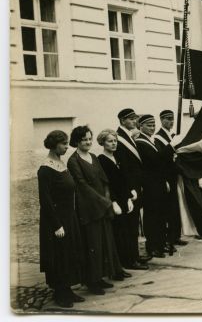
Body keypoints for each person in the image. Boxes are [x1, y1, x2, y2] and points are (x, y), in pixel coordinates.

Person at [67, 126, 125, 295]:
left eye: (89, 139)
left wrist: (107, 199)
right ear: (77, 141)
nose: (88, 142)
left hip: (102, 206)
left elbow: (104, 180)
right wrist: (103, 201)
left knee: (104, 242)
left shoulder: (93, 157)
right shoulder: (74, 161)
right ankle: (91, 281)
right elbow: (82, 185)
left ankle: (100, 277)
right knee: (92, 244)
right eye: (84, 139)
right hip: (89, 208)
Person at [38, 130, 84, 308]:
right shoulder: (45, 169)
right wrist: (56, 225)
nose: (67, 147)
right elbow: (45, 200)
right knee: (58, 256)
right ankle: (60, 293)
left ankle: (67, 289)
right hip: (55, 220)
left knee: (68, 254)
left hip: (68, 216)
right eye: (64, 144)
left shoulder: (61, 164)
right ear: (54, 144)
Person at [96, 129, 141, 273]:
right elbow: (107, 184)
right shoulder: (101, 160)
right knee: (120, 232)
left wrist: (129, 196)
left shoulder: (117, 157)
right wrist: (114, 202)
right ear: (103, 143)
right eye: (110, 141)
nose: (113, 143)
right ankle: (124, 262)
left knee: (130, 229)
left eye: (115, 141)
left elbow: (124, 179)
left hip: (124, 198)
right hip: (114, 200)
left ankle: (133, 258)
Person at [114, 108, 149, 269]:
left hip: (136, 186)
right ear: (122, 121)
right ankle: (129, 259)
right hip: (129, 188)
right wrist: (130, 190)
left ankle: (134, 255)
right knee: (129, 225)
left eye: (135, 118)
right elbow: (123, 168)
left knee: (134, 224)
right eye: (131, 119)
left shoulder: (128, 135)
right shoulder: (119, 138)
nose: (135, 121)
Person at [134, 115, 169, 258]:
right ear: (140, 126)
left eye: (154, 125)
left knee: (161, 214)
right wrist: (170, 148)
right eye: (149, 125)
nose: (152, 128)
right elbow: (156, 160)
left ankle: (160, 243)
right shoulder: (140, 142)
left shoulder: (152, 141)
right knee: (152, 216)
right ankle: (152, 246)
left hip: (159, 183)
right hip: (149, 185)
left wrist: (165, 181)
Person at [153, 110, 186, 251]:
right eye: (168, 119)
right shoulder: (158, 137)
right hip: (167, 175)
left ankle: (176, 235)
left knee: (176, 206)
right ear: (161, 120)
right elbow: (161, 159)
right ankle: (170, 237)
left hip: (176, 174)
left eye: (172, 119)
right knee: (169, 208)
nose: (171, 122)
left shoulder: (173, 135)